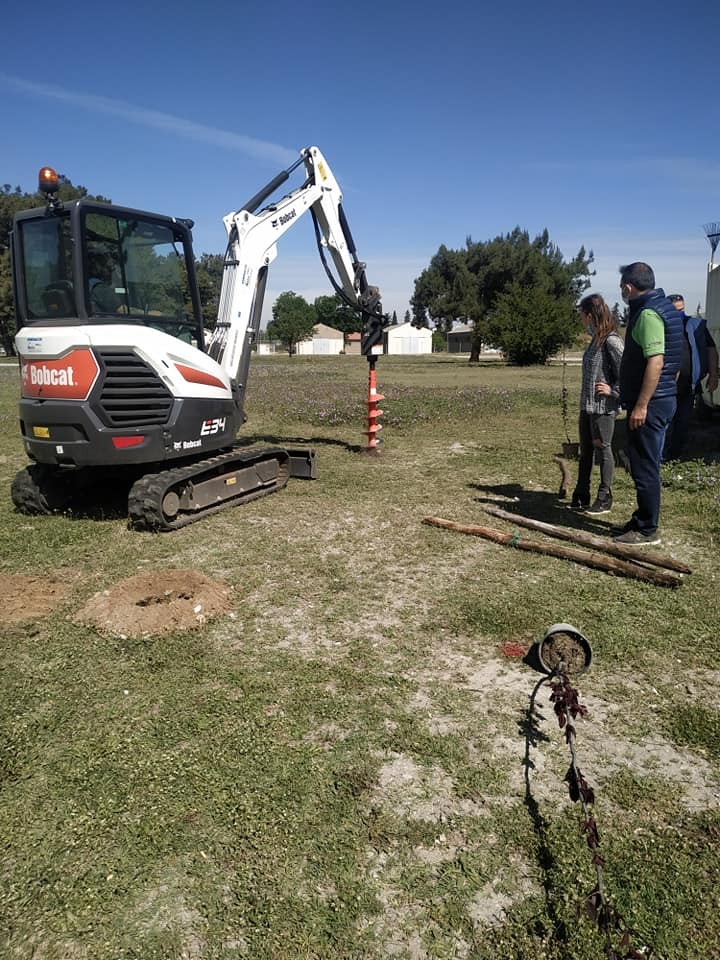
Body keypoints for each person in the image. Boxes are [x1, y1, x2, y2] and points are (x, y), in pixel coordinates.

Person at [615, 262, 683, 545]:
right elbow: (675, 361)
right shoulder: (666, 309)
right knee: (647, 461)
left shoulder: (648, 314)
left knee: (644, 465)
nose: (621, 292)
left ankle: (646, 528)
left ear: (629, 287)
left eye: (622, 288)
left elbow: (656, 361)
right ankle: (643, 516)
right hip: (664, 397)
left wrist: (642, 404)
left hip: (652, 403)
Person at [568, 294, 624, 514]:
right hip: (587, 406)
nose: (581, 320)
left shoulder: (611, 340)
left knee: (604, 450)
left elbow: (627, 373)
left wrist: (614, 390)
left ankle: (605, 496)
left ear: (589, 315)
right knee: (586, 451)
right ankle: (582, 493)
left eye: (582, 315)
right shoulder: (595, 339)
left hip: (603, 407)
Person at [662, 294, 719, 460]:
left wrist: (713, 374)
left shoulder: (696, 325)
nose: (680, 314)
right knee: (665, 420)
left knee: (683, 421)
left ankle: (675, 454)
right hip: (667, 384)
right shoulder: (662, 325)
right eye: (675, 310)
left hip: (690, 384)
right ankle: (659, 455)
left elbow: (711, 349)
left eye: (682, 310)